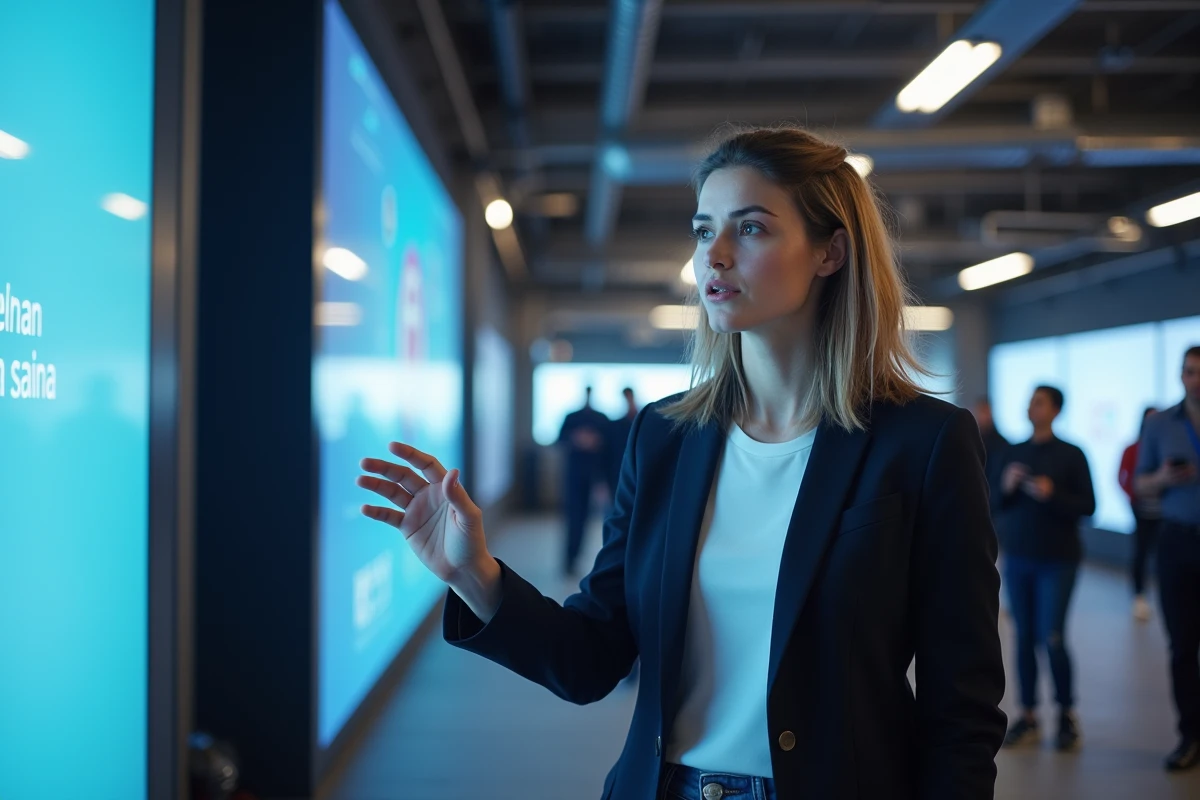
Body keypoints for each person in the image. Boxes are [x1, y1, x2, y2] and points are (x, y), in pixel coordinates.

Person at [357, 127, 1006, 799]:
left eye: (750, 229)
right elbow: (593, 658)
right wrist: (476, 574)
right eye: (703, 231)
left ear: (830, 252)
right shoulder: (664, 437)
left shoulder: (922, 444)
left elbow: (961, 707)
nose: (714, 257)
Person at [994, 386, 1095, 753]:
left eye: (1038, 401)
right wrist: (1005, 486)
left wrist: (1054, 494)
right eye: (1030, 400)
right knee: (1023, 639)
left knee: (1052, 637)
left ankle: (1066, 714)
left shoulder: (1072, 454)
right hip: (1020, 558)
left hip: (1058, 559)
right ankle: (1028, 715)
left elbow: (1088, 506)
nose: (1031, 406)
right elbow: (994, 501)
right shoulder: (1013, 452)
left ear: (1055, 410)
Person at [1136, 345, 1200, 772]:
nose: (1195, 379)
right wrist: (1162, 477)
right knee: (1182, 646)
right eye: (1190, 372)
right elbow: (1141, 485)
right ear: (1181, 377)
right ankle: (1190, 735)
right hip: (1178, 542)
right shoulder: (1160, 425)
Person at [555, 386, 610, 577]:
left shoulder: (601, 419)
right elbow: (560, 439)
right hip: (574, 475)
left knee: (590, 519)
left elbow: (610, 445)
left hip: (594, 476)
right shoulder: (572, 417)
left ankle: (582, 559)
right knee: (574, 518)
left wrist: (596, 441)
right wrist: (576, 438)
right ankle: (569, 560)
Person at [1119, 407, 1160, 621]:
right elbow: (1122, 477)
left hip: (1165, 514)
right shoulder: (1133, 449)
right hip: (1141, 510)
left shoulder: (1165, 446)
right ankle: (1138, 596)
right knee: (1141, 553)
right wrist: (1133, 496)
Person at [606, 387, 639, 498]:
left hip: (639, 471)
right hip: (617, 472)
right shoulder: (615, 426)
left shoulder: (643, 421)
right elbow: (609, 452)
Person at [972, 397, 1010, 495]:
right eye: (980, 412)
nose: (983, 416)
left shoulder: (1002, 444)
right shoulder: (970, 440)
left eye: (986, 412)